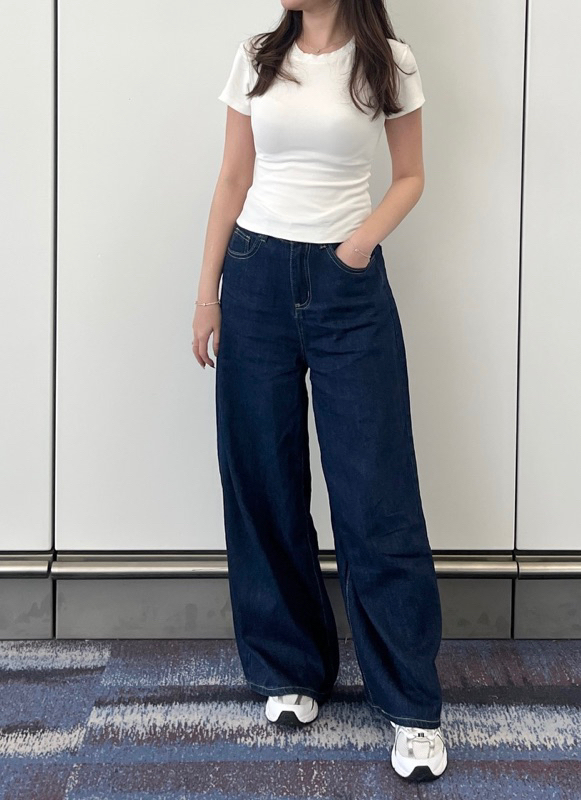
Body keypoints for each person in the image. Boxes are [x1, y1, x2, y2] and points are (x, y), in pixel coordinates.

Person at [192, 0, 447, 783]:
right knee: (263, 481)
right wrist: (207, 295)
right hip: (255, 276)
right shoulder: (257, 56)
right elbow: (233, 176)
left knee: (376, 492)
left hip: (347, 286)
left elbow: (411, 176)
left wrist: (358, 245)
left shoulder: (388, 60)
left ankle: (410, 705)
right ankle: (290, 669)